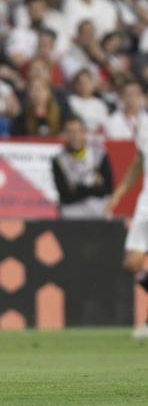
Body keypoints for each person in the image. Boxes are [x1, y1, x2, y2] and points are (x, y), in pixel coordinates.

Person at [106, 104, 148, 338]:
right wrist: (119, 193)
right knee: (131, 264)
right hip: (146, 205)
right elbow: (139, 164)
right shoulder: (145, 127)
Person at [52, 115, 112, 218]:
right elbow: (65, 196)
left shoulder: (99, 153)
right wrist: (93, 186)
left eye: (78, 131)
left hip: (97, 208)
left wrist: (77, 188)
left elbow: (108, 189)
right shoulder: (58, 160)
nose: (74, 136)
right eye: (70, 132)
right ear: (64, 135)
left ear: (84, 132)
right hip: (72, 210)